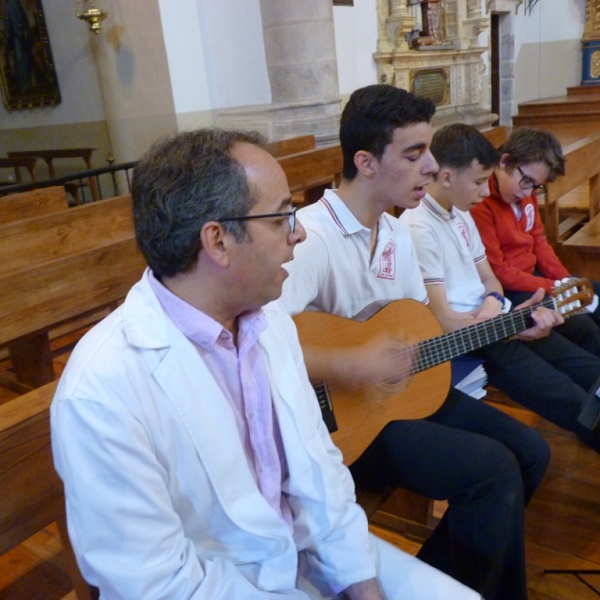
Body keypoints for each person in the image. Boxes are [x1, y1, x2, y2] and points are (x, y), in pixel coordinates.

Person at [50, 128, 480, 599]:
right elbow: (158, 583)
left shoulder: (268, 320)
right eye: (281, 217)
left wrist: (361, 584)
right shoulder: (103, 387)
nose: (298, 232)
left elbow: (321, 471)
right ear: (217, 241)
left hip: (302, 556)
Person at [280, 85, 553, 600]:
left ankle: (441, 583)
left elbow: (418, 325)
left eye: (428, 150)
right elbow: (264, 345)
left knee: (530, 451)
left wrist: (506, 323)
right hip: (340, 422)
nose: (431, 166)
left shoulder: (396, 233)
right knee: (491, 471)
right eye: (413, 153)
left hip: (398, 397)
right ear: (365, 162)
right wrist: (353, 361)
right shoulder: (310, 237)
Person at [399, 122, 600, 453]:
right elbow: (443, 321)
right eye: (479, 182)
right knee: (567, 396)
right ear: (447, 178)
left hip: (497, 320)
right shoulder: (420, 227)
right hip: (474, 339)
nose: (484, 191)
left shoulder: (460, 212)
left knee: (587, 367)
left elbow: (490, 277)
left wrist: (495, 304)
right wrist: (498, 322)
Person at [470, 127, 600, 357]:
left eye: (536, 187)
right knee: (584, 328)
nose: (528, 192)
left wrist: (565, 281)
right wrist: (555, 288)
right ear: (504, 162)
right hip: (512, 290)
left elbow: (538, 240)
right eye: (527, 182)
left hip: (535, 277)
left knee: (594, 294)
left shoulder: (524, 192)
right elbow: (498, 271)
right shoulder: (481, 203)